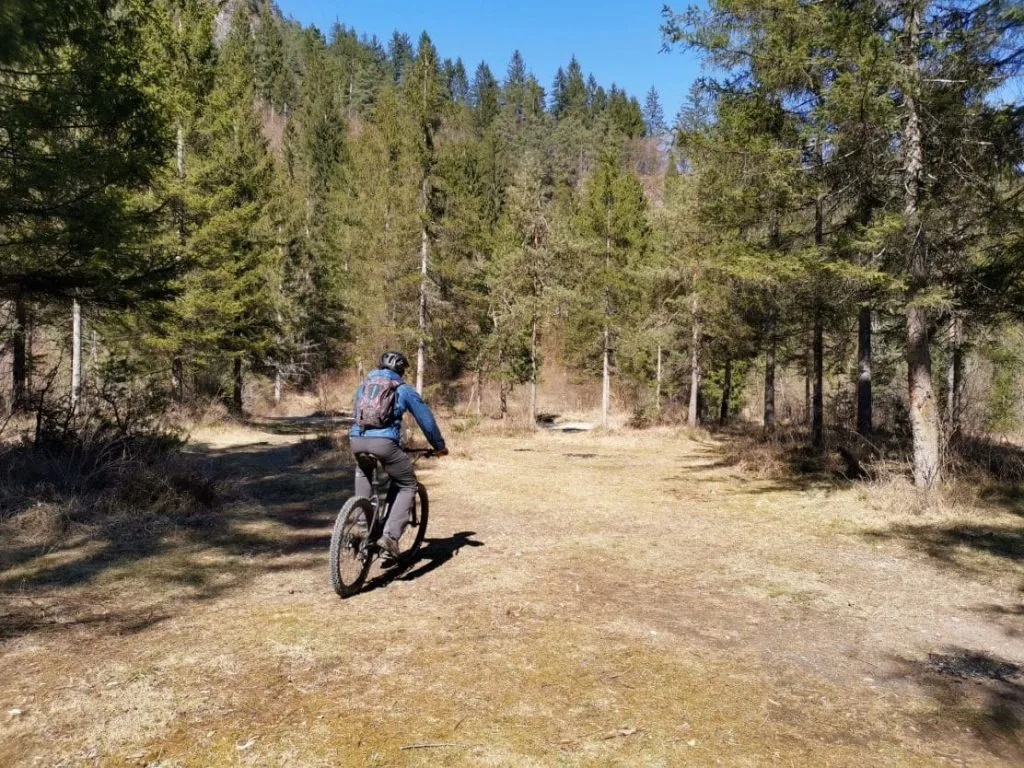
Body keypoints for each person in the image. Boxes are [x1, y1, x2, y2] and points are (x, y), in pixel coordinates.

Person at [349, 351, 448, 558]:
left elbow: (357, 415)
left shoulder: (364, 386)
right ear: (401, 370)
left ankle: (361, 525)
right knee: (407, 484)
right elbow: (426, 421)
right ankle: (390, 537)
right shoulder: (403, 389)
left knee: (363, 471)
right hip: (385, 444)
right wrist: (438, 446)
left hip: (357, 441)